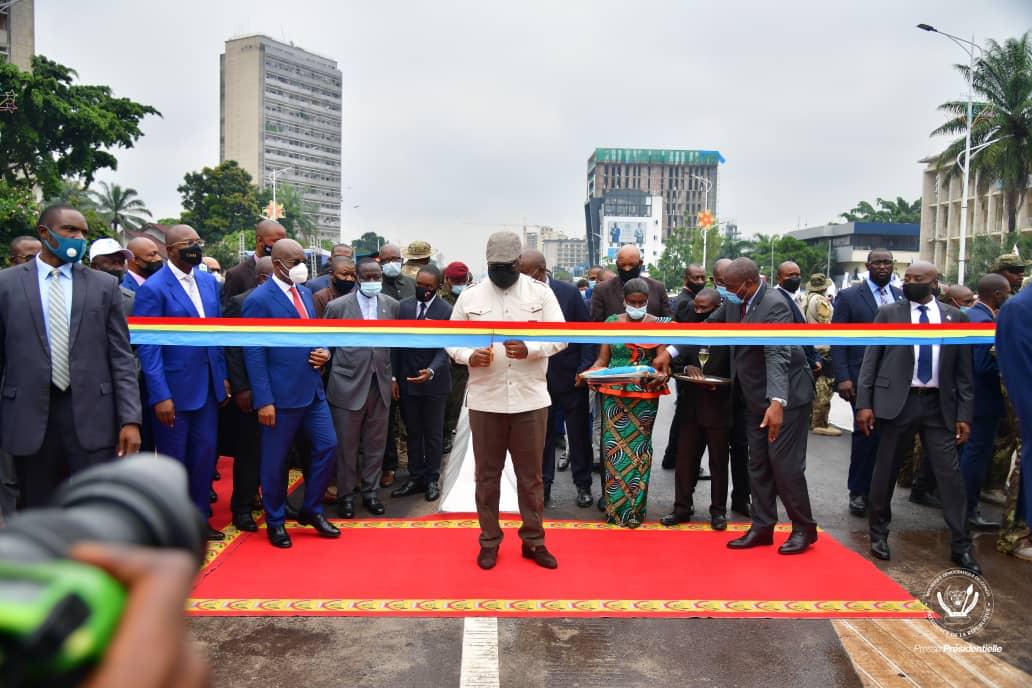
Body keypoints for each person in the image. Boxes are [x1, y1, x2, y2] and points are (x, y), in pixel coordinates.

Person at [0, 204, 141, 508]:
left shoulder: (104, 286)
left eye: (83, 233)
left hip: (92, 416)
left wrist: (130, 419)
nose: (78, 238)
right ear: (44, 233)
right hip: (28, 417)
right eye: (70, 230)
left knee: (93, 507)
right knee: (37, 509)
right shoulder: (6, 285)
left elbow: (121, 358)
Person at [446, 231, 565, 570]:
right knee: (486, 477)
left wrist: (532, 349)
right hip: (486, 400)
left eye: (506, 267)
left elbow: (562, 336)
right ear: (487, 264)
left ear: (518, 263)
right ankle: (489, 541)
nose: (500, 273)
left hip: (530, 399)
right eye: (494, 267)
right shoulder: (470, 296)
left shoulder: (540, 293)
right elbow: (450, 339)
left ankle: (534, 540)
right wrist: (468, 356)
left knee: (531, 477)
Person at [856, 261, 978, 573]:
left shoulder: (955, 317)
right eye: (907, 278)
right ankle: (878, 534)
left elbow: (964, 373)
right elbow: (871, 360)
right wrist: (864, 404)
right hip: (899, 402)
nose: (910, 282)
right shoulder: (889, 313)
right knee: (886, 471)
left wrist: (965, 414)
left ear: (935, 283)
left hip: (939, 405)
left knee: (949, 476)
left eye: (918, 278)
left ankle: (961, 545)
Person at [702, 257, 818, 554]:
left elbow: (776, 354)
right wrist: (670, 347)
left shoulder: (774, 305)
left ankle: (804, 528)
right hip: (753, 396)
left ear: (749, 283)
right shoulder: (735, 302)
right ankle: (762, 526)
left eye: (729, 287)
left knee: (785, 465)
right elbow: (708, 328)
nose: (725, 292)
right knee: (758, 464)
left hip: (786, 396)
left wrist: (777, 402)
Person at [135, 225, 229, 540]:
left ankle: (199, 519)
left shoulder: (208, 281)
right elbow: (149, 346)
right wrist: (160, 394)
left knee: (204, 457)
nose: (195, 248)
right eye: (188, 243)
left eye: (198, 242)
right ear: (170, 249)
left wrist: (222, 377)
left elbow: (216, 333)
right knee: (173, 462)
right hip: (173, 392)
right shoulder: (154, 288)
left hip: (208, 387)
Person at [243, 239, 339, 548]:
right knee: (275, 461)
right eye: (294, 261)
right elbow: (254, 352)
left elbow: (315, 334)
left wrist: (324, 351)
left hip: (312, 390)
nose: (301, 266)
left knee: (328, 445)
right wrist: (264, 400)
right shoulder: (259, 300)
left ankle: (311, 509)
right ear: (277, 264)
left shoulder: (306, 293)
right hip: (279, 396)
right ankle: (275, 521)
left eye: (303, 260)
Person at [586, 277, 671, 528]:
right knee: (613, 450)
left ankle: (634, 511)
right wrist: (591, 373)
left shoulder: (659, 325)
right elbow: (602, 360)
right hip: (613, 394)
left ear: (648, 301)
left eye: (641, 302)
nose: (637, 306)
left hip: (645, 396)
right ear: (624, 301)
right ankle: (615, 510)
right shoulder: (612, 323)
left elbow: (662, 362)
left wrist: (661, 375)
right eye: (632, 302)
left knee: (639, 452)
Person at [519, 249, 595, 508]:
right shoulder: (519, 295)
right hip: (535, 379)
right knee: (541, 437)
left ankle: (583, 485)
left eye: (525, 273)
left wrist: (584, 368)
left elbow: (585, 334)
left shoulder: (569, 293)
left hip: (571, 377)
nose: (521, 279)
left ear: (540, 271)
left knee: (578, 435)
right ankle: (544, 486)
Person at [324, 258, 398, 518]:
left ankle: (370, 492)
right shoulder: (337, 307)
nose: (372, 281)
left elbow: (395, 346)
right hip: (347, 384)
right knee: (346, 445)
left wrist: (393, 378)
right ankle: (345, 495)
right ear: (357, 277)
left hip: (380, 383)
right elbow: (325, 343)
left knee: (376, 443)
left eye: (376, 276)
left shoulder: (391, 305)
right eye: (367, 277)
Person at [830, 249, 902, 517]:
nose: (883, 267)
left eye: (887, 262)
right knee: (865, 434)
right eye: (878, 262)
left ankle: (879, 492)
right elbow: (838, 338)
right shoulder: (849, 296)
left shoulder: (900, 296)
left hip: (894, 378)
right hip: (860, 377)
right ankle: (858, 491)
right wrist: (843, 377)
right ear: (868, 265)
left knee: (889, 438)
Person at [662, 287, 731, 530]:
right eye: (696, 307)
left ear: (718, 307)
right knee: (684, 461)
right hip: (690, 408)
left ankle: (718, 512)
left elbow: (739, 370)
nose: (699, 312)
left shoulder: (730, 335)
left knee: (718, 463)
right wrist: (685, 370)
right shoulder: (688, 331)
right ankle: (681, 508)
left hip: (719, 407)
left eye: (705, 308)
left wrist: (720, 383)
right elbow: (674, 363)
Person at [390, 266, 452, 502]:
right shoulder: (403, 307)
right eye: (419, 284)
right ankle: (415, 476)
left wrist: (432, 370)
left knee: (433, 434)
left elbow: (445, 347)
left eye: (428, 286)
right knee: (413, 432)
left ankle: (432, 479)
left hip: (434, 383)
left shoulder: (446, 311)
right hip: (407, 382)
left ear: (438, 287)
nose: (422, 289)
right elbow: (395, 345)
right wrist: (394, 378)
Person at [222, 256, 274, 531]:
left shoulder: (293, 299)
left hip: (280, 387)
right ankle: (242, 507)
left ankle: (274, 500)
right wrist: (241, 387)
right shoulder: (240, 302)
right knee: (250, 451)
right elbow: (232, 347)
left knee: (277, 451)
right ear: (263, 278)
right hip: (251, 390)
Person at [959, 273, 1011, 530]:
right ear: (997, 294)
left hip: (966, 397)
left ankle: (960, 507)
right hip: (982, 399)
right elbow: (983, 365)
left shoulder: (969, 315)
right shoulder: (985, 322)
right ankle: (967, 510)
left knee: (967, 453)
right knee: (976, 455)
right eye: (1008, 293)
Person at [995, 271, 1032, 561]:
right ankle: (1016, 534)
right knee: (1025, 466)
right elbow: (1020, 371)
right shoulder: (1019, 308)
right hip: (1027, 405)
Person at [662, 263, 708, 470]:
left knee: (683, 413)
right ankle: (679, 458)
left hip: (685, 363)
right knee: (687, 415)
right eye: (695, 278)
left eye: (703, 277)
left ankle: (672, 457)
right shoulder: (686, 303)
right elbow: (687, 337)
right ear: (685, 279)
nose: (700, 281)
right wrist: (684, 365)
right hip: (687, 364)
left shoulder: (692, 299)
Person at [378, 242, 416, 488]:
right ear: (380, 261)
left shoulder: (411, 284)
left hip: (410, 360)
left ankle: (415, 466)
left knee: (413, 417)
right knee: (386, 420)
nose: (392, 263)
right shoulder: (374, 285)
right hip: (385, 360)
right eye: (387, 259)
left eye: (396, 259)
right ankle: (388, 466)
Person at [590, 245, 670, 322]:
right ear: (617, 264)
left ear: (640, 263)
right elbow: (596, 325)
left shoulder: (657, 288)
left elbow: (669, 323)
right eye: (623, 265)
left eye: (631, 265)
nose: (627, 269)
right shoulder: (602, 290)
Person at [440, 261, 471, 454]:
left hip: (463, 357)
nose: (460, 284)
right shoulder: (440, 299)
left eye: (463, 281)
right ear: (447, 280)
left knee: (457, 399)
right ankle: (442, 434)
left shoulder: (471, 297)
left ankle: (450, 433)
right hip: (443, 357)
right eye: (456, 281)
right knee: (445, 399)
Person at [803, 274, 840, 437]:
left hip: (812, 346)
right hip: (822, 348)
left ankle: (812, 419)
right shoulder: (821, 301)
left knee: (815, 386)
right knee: (824, 387)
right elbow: (827, 323)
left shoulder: (806, 298)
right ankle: (819, 423)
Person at [223, 219, 287, 305]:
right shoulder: (236, 274)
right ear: (259, 240)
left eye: (283, 242)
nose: (281, 245)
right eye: (275, 241)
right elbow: (230, 309)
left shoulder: (287, 271)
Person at [88, 238, 136, 317]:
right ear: (94, 266)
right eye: (113, 263)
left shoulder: (132, 299)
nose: (119, 268)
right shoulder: (79, 295)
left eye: (121, 262)